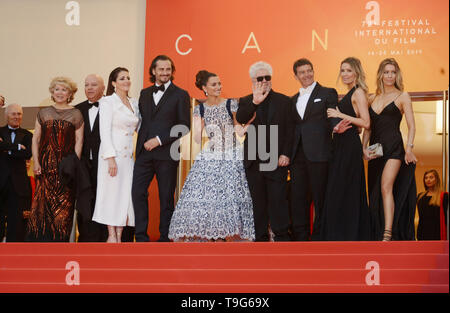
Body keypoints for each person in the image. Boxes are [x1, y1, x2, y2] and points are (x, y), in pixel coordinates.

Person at [169, 70, 255, 242]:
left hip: (232, 153)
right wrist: (199, 126)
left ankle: (231, 234)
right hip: (211, 154)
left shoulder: (231, 104)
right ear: (204, 88)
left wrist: (246, 128)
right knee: (206, 195)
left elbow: (237, 127)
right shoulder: (199, 108)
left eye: (219, 83)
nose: (218, 87)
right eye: (214, 84)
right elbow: (196, 138)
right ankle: (209, 234)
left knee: (233, 195)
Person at [132, 55, 191, 242]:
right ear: (153, 71)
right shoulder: (144, 93)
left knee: (166, 197)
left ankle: (165, 238)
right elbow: (141, 122)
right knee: (137, 193)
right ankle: (141, 236)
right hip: (143, 154)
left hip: (167, 153)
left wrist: (159, 140)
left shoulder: (181, 94)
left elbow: (184, 125)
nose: (165, 73)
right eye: (161, 69)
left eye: (168, 69)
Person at [236, 61, 293, 242]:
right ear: (252, 80)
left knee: (278, 200)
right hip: (253, 160)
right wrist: (255, 101)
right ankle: (260, 239)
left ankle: (282, 238)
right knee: (257, 203)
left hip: (276, 160)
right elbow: (241, 118)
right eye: (259, 78)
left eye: (267, 77)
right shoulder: (246, 101)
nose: (264, 81)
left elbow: (290, 129)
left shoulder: (285, 101)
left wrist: (286, 153)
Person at [289, 58, 344, 241]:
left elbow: (332, 113)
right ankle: (301, 238)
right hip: (297, 156)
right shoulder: (292, 100)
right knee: (298, 199)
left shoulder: (327, 92)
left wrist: (336, 126)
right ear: (296, 76)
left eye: (309, 70)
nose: (307, 75)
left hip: (319, 154)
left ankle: (320, 237)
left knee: (321, 198)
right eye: (302, 72)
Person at [363, 58, 417, 241]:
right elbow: (368, 127)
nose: (389, 76)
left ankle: (388, 233)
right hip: (376, 149)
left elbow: (412, 126)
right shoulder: (372, 98)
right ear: (380, 74)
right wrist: (364, 148)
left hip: (394, 147)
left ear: (397, 74)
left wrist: (409, 149)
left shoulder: (403, 96)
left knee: (386, 186)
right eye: (386, 72)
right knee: (375, 191)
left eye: (393, 72)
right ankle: (377, 231)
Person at [27, 77, 84, 242]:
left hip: (65, 168)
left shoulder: (76, 114)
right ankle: (39, 245)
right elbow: (35, 139)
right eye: (57, 89)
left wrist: (74, 164)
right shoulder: (43, 113)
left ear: (70, 94)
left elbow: (79, 140)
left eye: (64, 90)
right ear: (52, 92)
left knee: (64, 207)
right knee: (42, 206)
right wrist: (36, 162)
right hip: (45, 166)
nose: (60, 93)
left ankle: (59, 243)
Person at [322, 57, 371, 241]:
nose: (345, 74)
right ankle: (340, 235)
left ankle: (350, 235)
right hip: (341, 145)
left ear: (357, 72)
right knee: (339, 189)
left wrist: (339, 113)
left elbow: (366, 122)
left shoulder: (358, 92)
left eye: (349, 70)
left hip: (350, 147)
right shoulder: (350, 93)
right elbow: (358, 122)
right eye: (342, 70)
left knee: (346, 189)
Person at [92, 67, 140, 243]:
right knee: (111, 194)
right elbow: (104, 132)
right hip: (111, 156)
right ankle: (111, 235)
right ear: (113, 83)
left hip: (128, 158)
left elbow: (138, 128)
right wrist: (110, 158)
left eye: (128, 77)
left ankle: (120, 235)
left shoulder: (134, 103)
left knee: (125, 195)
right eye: (121, 78)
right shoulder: (107, 102)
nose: (126, 81)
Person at [74, 74, 108, 242]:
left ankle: (104, 240)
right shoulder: (77, 109)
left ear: (103, 87)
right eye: (86, 85)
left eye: (94, 85)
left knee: (104, 199)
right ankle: (86, 240)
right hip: (84, 164)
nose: (89, 88)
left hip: (106, 164)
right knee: (85, 202)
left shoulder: (111, 106)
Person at [0, 103, 33, 241]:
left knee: (16, 222)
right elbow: (21, 151)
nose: (16, 117)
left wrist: (5, 148)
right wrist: (17, 147)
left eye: (19, 114)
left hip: (19, 184)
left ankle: (14, 254)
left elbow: (27, 154)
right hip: (0, 181)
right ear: (7, 115)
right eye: (13, 113)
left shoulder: (27, 134)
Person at [416, 169, 448, 240]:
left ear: (436, 180)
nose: (428, 180)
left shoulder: (444, 196)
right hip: (422, 232)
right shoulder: (420, 196)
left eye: (431, 177)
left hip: (437, 233)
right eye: (426, 178)